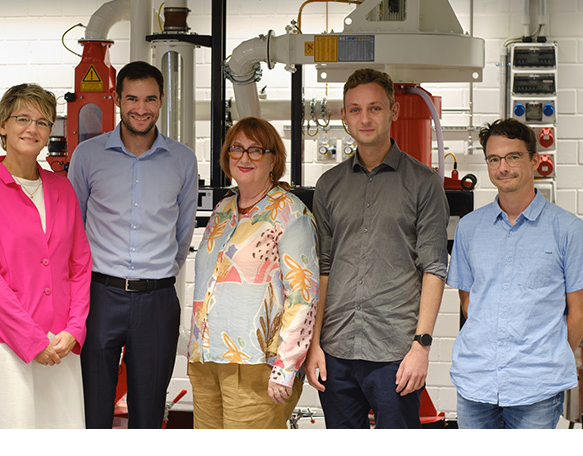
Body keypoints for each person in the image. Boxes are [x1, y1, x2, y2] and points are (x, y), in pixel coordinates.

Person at [305, 68, 449, 429]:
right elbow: (322, 267)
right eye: (354, 109)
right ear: (344, 116)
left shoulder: (424, 183)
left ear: (394, 111)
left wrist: (422, 347)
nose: (364, 118)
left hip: (395, 354)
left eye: (375, 108)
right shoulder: (329, 185)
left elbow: (434, 267)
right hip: (336, 350)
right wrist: (314, 346)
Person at [68, 61, 198, 429]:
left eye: (150, 99)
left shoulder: (183, 160)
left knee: (148, 410)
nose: (141, 108)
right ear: (117, 100)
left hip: (156, 300)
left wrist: (155, 274)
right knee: (92, 406)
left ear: (161, 102)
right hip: (98, 296)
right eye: (132, 99)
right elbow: (74, 229)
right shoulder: (88, 156)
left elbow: (182, 232)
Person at [0, 83, 92, 428]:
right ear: (3, 125)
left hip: (60, 343)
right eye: (22, 118)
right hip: (4, 344)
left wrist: (75, 329)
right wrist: (32, 340)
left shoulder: (62, 188)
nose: (32, 129)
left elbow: (79, 265)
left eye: (43, 122)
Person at [448, 118, 583, 429]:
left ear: (534, 160)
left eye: (513, 157)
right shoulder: (470, 228)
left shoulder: (568, 230)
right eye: (494, 159)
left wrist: (548, 359)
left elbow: (577, 312)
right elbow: (469, 302)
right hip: (475, 383)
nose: (502, 167)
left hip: (536, 387)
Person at [188, 117, 319, 429]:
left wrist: (286, 368)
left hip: (257, 365)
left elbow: (304, 297)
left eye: (255, 150)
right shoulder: (222, 210)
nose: (244, 158)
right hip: (207, 360)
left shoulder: (291, 213)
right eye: (236, 148)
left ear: (273, 159)